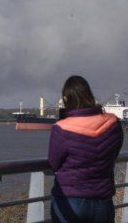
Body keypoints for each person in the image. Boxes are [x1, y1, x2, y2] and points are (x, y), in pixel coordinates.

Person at [49, 75, 123, 223]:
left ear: (66, 99)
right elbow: (114, 152)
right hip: (102, 200)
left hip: (70, 200)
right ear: (89, 95)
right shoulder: (113, 123)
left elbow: (53, 163)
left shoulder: (62, 128)